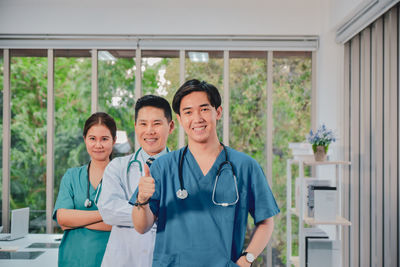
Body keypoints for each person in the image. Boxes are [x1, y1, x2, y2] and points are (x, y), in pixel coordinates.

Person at [131, 79, 280, 267]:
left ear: (217, 112)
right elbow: (141, 226)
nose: (197, 119)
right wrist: (142, 200)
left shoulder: (245, 166)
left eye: (204, 109)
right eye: (188, 112)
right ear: (179, 119)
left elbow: (266, 221)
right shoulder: (162, 167)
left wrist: (247, 259)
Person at [97, 95, 175, 267]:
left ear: (170, 127)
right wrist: (160, 213)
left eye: (156, 123)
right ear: (135, 126)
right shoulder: (117, 167)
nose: (149, 131)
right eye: (143, 124)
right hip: (123, 260)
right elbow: (108, 211)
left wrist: (143, 212)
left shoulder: (183, 169)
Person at [53, 112, 117, 267]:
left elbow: (125, 223)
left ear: (114, 141)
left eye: (104, 139)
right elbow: (63, 219)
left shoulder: (123, 176)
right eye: (92, 139)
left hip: (112, 258)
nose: (98, 145)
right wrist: (107, 214)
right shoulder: (72, 176)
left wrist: (76, 220)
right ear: (85, 140)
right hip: (74, 259)